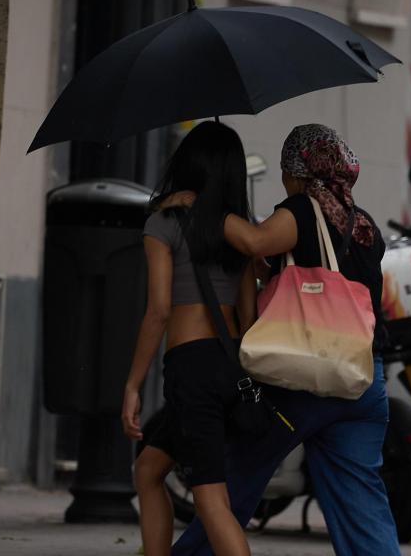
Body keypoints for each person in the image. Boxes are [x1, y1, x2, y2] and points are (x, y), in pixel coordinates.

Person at [166, 123, 401, 556]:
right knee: (362, 506)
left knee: (232, 487)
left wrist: (203, 204)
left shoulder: (300, 210)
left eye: (285, 170)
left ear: (300, 172)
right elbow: (306, 271)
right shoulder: (363, 223)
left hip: (304, 378)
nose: (283, 179)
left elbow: (255, 240)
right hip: (363, 381)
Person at [122, 121, 258, 556]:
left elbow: (159, 311)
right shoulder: (242, 230)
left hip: (191, 369)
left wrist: (132, 385)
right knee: (148, 470)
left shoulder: (164, 223)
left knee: (209, 499)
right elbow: (248, 314)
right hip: (230, 366)